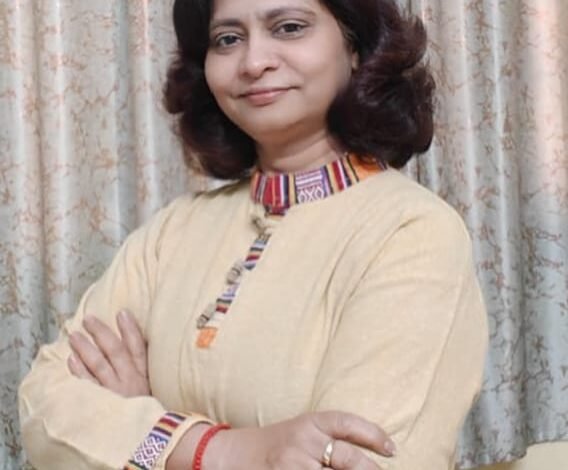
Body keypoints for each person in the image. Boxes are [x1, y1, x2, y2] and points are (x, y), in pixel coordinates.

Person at [19, 0, 488, 469]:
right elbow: (43, 405)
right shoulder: (173, 231)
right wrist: (222, 451)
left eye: (289, 28)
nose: (254, 62)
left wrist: (134, 433)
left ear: (356, 46)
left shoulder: (412, 234)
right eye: (227, 39)